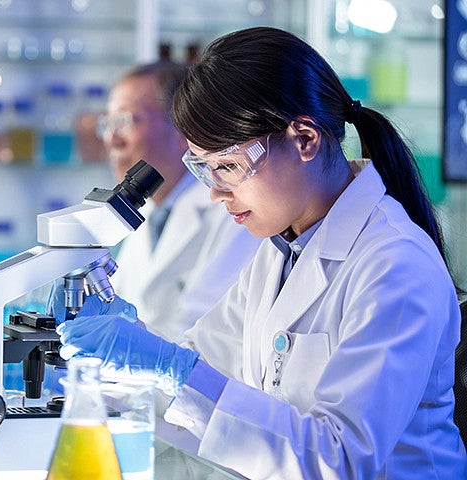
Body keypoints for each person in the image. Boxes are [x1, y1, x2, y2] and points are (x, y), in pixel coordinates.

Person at [57, 27, 467, 479]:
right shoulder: (281, 251)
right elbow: (200, 369)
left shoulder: (395, 265)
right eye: (203, 169)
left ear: (305, 139)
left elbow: (340, 460)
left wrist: (169, 366)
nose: (215, 193)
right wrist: (126, 356)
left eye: (228, 167)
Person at [96, 60, 262, 342]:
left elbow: (208, 335)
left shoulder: (232, 210)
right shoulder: (149, 209)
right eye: (108, 124)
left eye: (124, 121)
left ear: (183, 130)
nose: (112, 139)